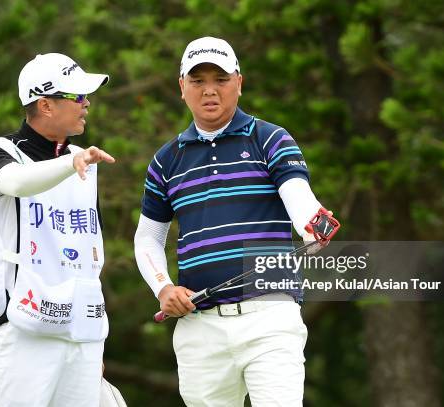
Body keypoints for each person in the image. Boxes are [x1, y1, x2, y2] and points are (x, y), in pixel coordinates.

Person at [134, 37, 334, 406]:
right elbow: (148, 238)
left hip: (270, 316)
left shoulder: (269, 138)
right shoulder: (166, 160)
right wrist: (163, 288)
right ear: (182, 88)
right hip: (200, 326)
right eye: (197, 81)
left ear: (239, 82)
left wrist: (311, 223)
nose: (210, 90)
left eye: (221, 79)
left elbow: (298, 196)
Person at [0, 52, 116, 407]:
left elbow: (88, 247)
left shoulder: (84, 159)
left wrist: (91, 339)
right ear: (46, 105)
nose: (87, 104)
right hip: (24, 328)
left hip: (81, 330)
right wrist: (70, 162)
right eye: (77, 97)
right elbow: (16, 183)